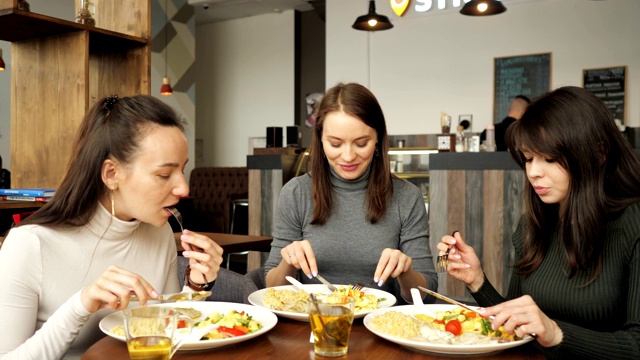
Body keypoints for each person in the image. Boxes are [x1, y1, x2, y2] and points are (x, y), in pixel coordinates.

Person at [0, 95, 226, 359]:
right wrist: (79, 306)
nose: (183, 188)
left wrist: (196, 286)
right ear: (111, 174)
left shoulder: (159, 232)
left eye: (182, 171)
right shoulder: (30, 245)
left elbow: (163, 331)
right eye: (164, 175)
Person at [437, 86, 640, 359]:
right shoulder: (532, 226)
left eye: (550, 159)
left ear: (599, 154)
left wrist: (556, 333)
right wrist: (477, 281)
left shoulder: (632, 224)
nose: (533, 172)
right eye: (529, 158)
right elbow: (518, 326)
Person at [264, 82, 438, 304]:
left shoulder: (406, 197)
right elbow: (271, 288)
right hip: (312, 325)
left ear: (377, 140)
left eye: (361, 143)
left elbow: (428, 291)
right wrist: (288, 261)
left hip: (382, 325)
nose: (347, 156)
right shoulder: (296, 193)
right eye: (335, 144)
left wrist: (405, 271)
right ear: (320, 140)